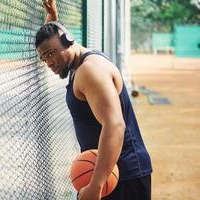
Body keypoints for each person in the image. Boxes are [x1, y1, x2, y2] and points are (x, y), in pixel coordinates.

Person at [35, 0, 152, 200]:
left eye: (50, 54)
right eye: (43, 58)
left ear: (68, 40)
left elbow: (114, 125)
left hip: (121, 177)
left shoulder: (89, 70)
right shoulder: (77, 64)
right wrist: (52, 22)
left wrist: (96, 186)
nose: (48, 62)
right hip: (111, 174)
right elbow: (56, 42)